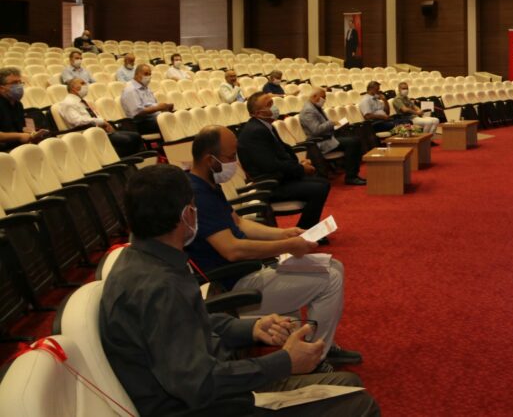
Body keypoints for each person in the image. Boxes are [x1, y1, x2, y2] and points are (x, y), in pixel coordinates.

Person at [100, 164, 379, 417]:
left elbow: (192, 320)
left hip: (213, 385)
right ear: (187, 214)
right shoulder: (160, 287)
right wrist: (283, 362)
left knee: (349, 385)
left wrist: (250, 328)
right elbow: (199, 384)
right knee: (359, 402)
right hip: (208, 405)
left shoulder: (146, 260)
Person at [186, 126, 363, 368]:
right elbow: (232, 250)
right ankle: (314, 358)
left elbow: (240, 223)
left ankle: (315, 345)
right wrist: (286, 245)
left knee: (335, 265)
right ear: (210, 160)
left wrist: (283, 233)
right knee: (329, 279)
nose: (236, 163)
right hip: (234, 284)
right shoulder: (198, 195)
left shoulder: (208, 184)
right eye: (230, 157)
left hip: (249, 270)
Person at [237, 93, 330, 229]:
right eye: (269, 104)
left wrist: (299, 165)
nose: (274, 106)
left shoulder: (265, 126)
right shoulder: (255, 131)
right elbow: (270, 165)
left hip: (278, 177)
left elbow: (283, 151)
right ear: (258, 113)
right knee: (320, 188)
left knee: (322, 183)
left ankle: (306, 229)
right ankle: (305, 230)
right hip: (268, 184)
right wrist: (300, 169)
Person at [59, 78, 143, 157]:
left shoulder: (82, 101)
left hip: (100, 131)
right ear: (74, 88)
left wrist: (106, 124)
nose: (86, 85)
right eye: (82, 83)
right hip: (88, 135)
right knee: (128, 140)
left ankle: (129, 160)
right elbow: (77, 121)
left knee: (135, 136)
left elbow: (94, 116)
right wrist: (100, 122)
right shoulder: (68, 103)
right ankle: (119, 160)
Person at [298, 88, 366, 185]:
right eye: (323, 97)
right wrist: (331, 123)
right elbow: (316, 130)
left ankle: (352, 174)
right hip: (320, 143)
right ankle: (351, 177)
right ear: (314, 96)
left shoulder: (315, 107)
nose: (324, 99)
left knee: (354, 139)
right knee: (353, 142)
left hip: (328, 138)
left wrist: (337, 125)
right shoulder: (308, 111)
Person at [0, 67, 47, 151]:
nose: (19, 86)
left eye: (20, 82)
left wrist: (32, 133)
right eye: (14, 83)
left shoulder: (18, 104)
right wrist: (19, 136)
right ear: (1, 88)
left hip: (19, 147)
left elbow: (20, 128)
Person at [121, 64, 173, 135]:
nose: (148, 76)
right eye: (145, 74)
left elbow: (153, 105)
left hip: (153, 118)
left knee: (175, 117)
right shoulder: (130, 90)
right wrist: (157, 108)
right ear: (136, 75)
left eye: (149, 74)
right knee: (168, 121)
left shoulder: (147, 89)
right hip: (141, 123)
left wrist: (165, 107)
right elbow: (137, 113)